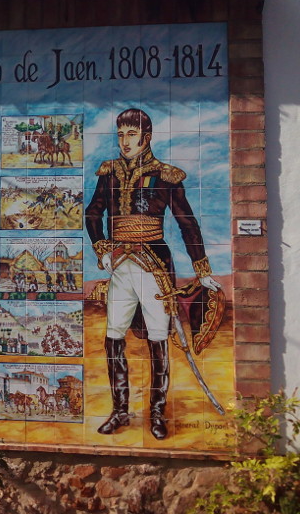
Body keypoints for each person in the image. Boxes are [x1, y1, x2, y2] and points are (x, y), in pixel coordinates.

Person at [85, 108, 221, 440]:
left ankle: (157, 414)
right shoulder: (109, 173)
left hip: (155, 264)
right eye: (120, 135)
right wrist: (102, 248)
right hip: (119, 264)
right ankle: (120, 412)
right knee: (114, 334)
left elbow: (187, 223)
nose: (125, 141)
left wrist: (201, 270)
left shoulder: (166, 176)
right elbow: (92, 212)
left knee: (159, 335)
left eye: (131, 134)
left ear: (146, 137)